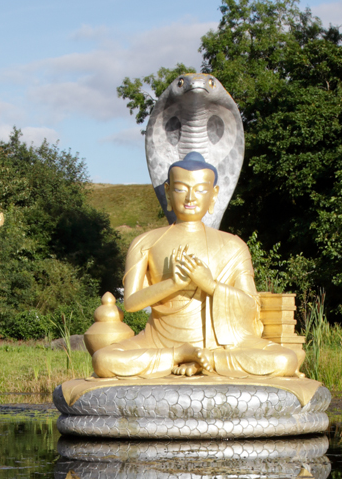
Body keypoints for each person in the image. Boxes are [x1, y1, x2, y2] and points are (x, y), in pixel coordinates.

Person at [92, 152, 300, 379]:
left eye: (201, 189)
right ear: (168, 191)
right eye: (181, 188)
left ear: (214, 194)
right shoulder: (146, 242)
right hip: (158, 340)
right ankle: (178, 355)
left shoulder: (233, 245)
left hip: (221, 343)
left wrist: (210, 285)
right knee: (103, 361)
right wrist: (173, 284)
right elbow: (131, 302)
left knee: (286, 359)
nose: (190, 197)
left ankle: (209, 360)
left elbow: (251, 306)